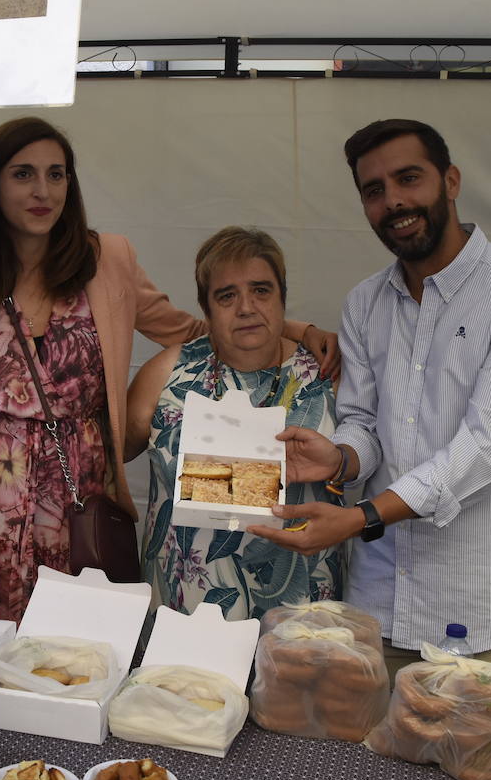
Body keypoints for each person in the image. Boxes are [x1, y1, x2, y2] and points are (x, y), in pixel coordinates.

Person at [0, 117, 339, 621]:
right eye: (23, 174)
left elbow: (193, 331)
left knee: (75, 658)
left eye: (57, 174)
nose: (42, 190)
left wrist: (291, 327)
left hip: (81, 509)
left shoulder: (108, 260)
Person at [253, 119, 491, 708]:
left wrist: (360, 518)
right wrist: (343, 456)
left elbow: (485, 449)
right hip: (381, 612)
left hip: (485, 619)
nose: (393, 201)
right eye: (374, 190)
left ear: (450, 181)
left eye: (409, 178)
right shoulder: (365, 303)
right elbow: (364, 424)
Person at [125, 227, 342, 621]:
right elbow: (107, 455)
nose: (245, 307)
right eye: (227, 296)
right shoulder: (167, 375)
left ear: (282, 298)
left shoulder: (329, 376)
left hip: (300, 617)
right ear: (206, 310)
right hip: (184, 612)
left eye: (261, 290)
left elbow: (369, 463)